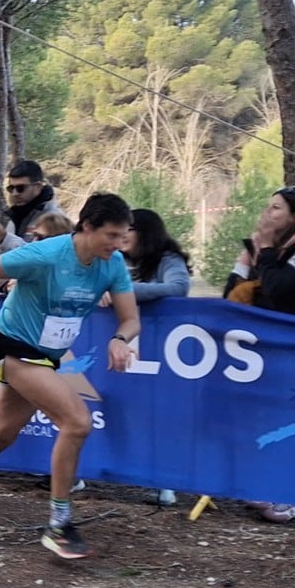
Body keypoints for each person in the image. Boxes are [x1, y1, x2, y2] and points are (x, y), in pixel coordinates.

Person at [0, 193, 140, 560]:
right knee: (77, 421)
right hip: (12, 346)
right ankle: (59, 522)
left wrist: (120, 339)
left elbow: (130, 319)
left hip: (44, 356)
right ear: (87, 227)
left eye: (123, 235)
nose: (118, 244)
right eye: (112, 235)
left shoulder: (111, 265)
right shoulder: (48, 255)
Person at [119, 209, 191, 508]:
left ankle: (164, 483)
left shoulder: (167, 259)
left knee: (156, 416)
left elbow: (179, 287)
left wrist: (124, 292)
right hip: (120, 351)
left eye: (129, 229)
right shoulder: (115, 260)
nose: (122, 236)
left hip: (159, 354)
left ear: (145, 233)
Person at [224, 187, 295, 316]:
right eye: (267, 207)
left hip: (294, 328)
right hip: (257, 326)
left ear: (294, 217)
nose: (267, 212)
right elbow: (229, 290)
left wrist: (266, 246)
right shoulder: (254, 247)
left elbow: (277, 289)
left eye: (275, 207)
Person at [0, 160, 66, 253]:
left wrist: (3, 236)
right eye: (11, 188)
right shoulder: (17, 215)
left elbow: (41, 258)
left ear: (38, 186)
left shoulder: (55, 219)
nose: (15, 193)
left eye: (20, 188)